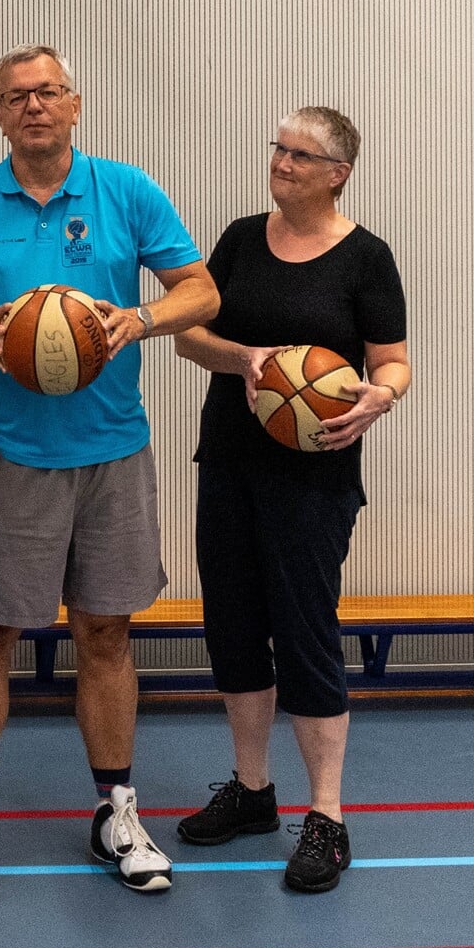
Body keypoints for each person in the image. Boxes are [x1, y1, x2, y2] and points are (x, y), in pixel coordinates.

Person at [0, 44, 219, 899]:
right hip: (5, 453)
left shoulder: (126, 190)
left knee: (107, 633)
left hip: (111, 450)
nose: (33, 106)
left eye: (47, 92)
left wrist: (140, 318)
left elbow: (203, 291)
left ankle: (117, 809)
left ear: (75, 104)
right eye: (15, 97)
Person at [171, 106, 410, 895]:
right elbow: (188, 337)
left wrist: (380, 398)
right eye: (277, 147)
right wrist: (247, 359)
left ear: (338, 171)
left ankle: (328, 818)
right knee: (234, 626)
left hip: (313, 476)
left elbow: (394, 361)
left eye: (301, 154)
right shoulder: (241, 239)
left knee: (305, 632)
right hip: (231, 462)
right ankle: (251, 791)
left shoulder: (367, 258)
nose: (282, 161)